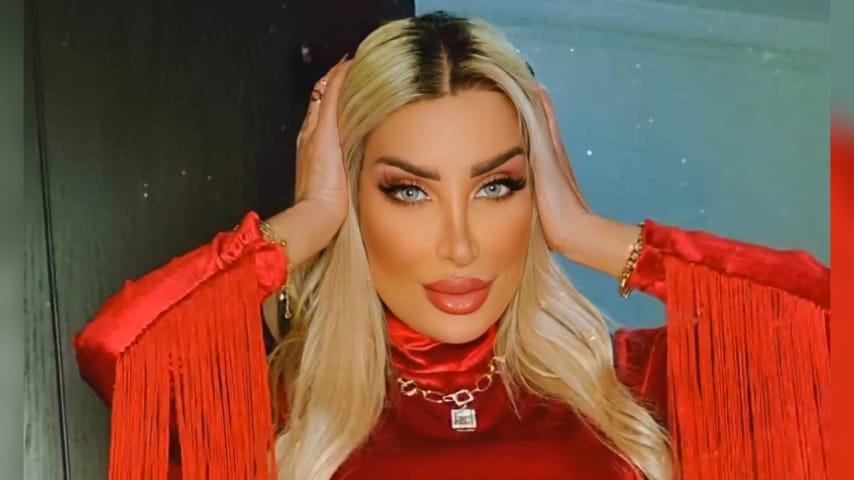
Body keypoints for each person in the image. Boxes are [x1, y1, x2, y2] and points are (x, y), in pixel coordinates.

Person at [73, 11, 830, 480]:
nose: (460, 244)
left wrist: (586, 232)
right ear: (357, 203)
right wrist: (309, 218)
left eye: (497, 185)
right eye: (409, 191)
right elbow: (122, 351)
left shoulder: (633, 389)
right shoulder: (278, 415)